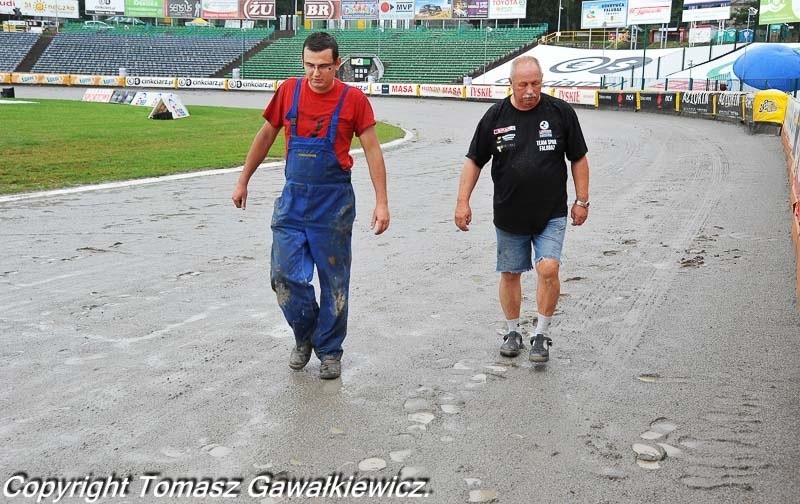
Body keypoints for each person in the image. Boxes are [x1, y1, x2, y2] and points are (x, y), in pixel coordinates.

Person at [232, 32, 390, 380]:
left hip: (333, 204)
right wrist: (244, 179)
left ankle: (330, 351)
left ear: (337, 65)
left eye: (323, 67)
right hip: (293, 201)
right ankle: (305, 335)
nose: (315, 73)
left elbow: (373, 150)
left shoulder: (353, 100)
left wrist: (382, 202)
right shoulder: (289, 90)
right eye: (309, 66)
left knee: (334, 281)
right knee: (283, 276)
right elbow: (266, 134)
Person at [454, 56, 589, 363]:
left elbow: (578, 157)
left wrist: (582, 200)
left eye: (536, 83)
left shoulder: (560, 112)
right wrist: (463, 201)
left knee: (548, 268)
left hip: (551, 211)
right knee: (511, 273)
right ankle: (513, 331)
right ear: (510, 84)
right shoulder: (495, 116)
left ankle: (541, 333)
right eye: (523, 84)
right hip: (509, 213)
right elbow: (474, 160)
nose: (530, 91)